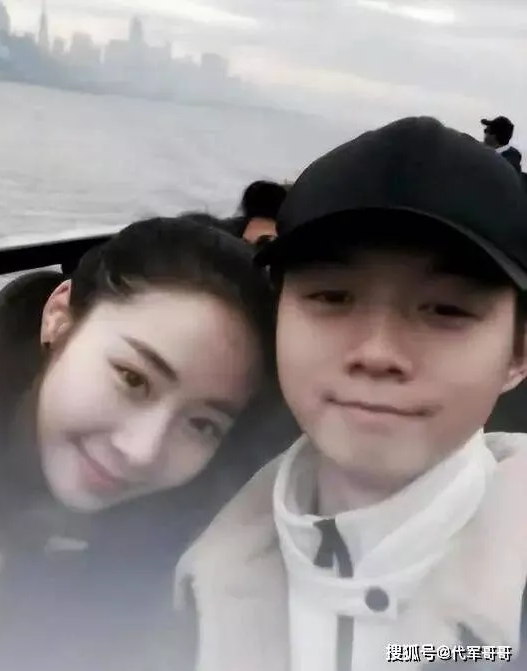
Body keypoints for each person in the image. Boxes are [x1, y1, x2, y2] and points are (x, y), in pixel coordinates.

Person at [173, 117, 527, 671]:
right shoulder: (185, 562)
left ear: (518, 353)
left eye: (446, 309)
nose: (377, 352)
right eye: (332, 296)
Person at [0, 215, 277, 671]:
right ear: (59, 319)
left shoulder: (207, 557)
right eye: (133, 379)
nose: (142, 451)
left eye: (202, 425)